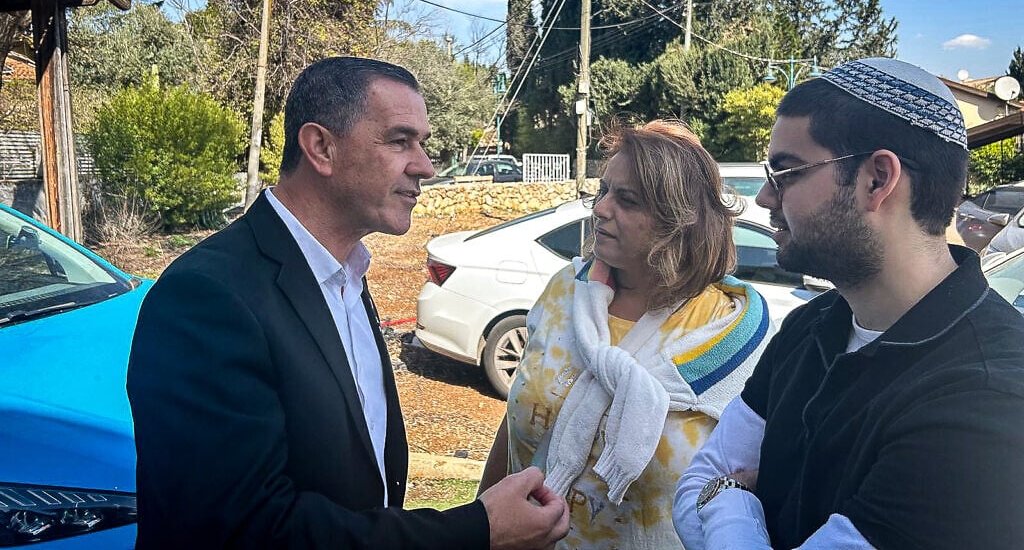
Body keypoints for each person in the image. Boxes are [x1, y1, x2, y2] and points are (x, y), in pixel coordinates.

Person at [127, 57, 569, 550]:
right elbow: (243, 529)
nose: (425, 165)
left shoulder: (344, 275)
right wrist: (476, 531)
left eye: (421, 142)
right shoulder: (206, 298)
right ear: (321, 147)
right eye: (400, 140)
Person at [673, 58, 1024, 549]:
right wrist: (724, 498)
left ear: (878, 179)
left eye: (787, 172)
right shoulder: (808, 326)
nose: (766, 200)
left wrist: (731, 501)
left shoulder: (987, 399)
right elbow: (694, 484)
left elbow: (712, 488)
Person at [478, 121, 773, 549]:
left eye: (627, 200)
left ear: (680, 219)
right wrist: (483, 522)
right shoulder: (567, 291)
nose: (600, 208)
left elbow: (748, 487)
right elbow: (516, 422)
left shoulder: (728, 335)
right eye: (603, 190)